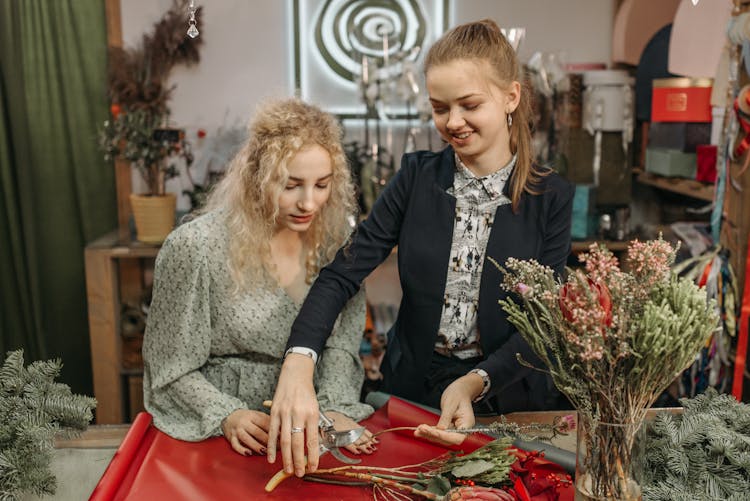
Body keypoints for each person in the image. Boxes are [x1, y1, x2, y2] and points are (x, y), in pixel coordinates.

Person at [267, 19, 575, 477]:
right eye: (439, 107)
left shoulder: (549, 197)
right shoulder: (416, 177)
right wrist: (299, 359)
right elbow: (342, 274)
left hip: (507, 395)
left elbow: (543, 324)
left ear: (511, 97)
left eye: (469, 105)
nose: (452, 122)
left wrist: (475, 382)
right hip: (411, 389)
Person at [142, 98, 375, 458]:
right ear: (257, 178)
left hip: (313, 430)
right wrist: (225, 414)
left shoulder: (338, 248)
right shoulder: (196, 248)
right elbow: (169, 370)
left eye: (322, 185)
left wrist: (336, 409)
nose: (309, 203)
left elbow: (342, 347)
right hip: (226, 440)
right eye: (291, 185)